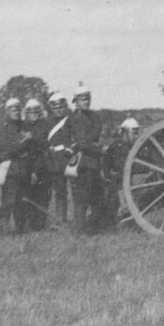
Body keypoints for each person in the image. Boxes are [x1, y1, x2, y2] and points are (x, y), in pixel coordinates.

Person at [66, 84, 106, 233]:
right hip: (82, 163)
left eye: (87, 99)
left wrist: (91, 144)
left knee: (96, 197)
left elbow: (97, 132)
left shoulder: (94, 116)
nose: (86, 102)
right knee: (82, 199)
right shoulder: (75, 118)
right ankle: (80, 230)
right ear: (75, 101)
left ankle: (93, 228)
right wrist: (95, 147)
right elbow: (82, 142)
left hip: (94, 162)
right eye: (82, 99)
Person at [0, 98, 36, 234]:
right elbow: (9, 149)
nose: (16, 112)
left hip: (24, 168)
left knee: (22, 200)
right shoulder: (3, 129)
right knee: (9, 199)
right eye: (13, 109)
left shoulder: (26, 126)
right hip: (10, 169)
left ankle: (20, 229)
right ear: (7, 111)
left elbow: (32, 150)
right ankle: (4, 226)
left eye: (18, 109)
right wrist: (24, 141)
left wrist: (33, 170)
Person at [21, 99, 52, 231]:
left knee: (43, 195)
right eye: (30, 111)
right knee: (29, 195)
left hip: (42, 164)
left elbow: (46, 143)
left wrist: (33, 137)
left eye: (35, 110)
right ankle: (31, 223)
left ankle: (41, 223)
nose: (33, 113)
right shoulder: (23, 126)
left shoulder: (45, 125)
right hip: (28, 164)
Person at [44, 92, 72, 226]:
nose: (58, 110)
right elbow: (44, 141)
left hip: (70, 157)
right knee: (60, 191)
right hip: (55, 160)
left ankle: (78, 218)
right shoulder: (47, 123)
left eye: (60, 107)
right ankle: (61, 220)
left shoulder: (70, 121)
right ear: (51, 108)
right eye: (55, 108)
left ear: (65, 106)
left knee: (76, 189)